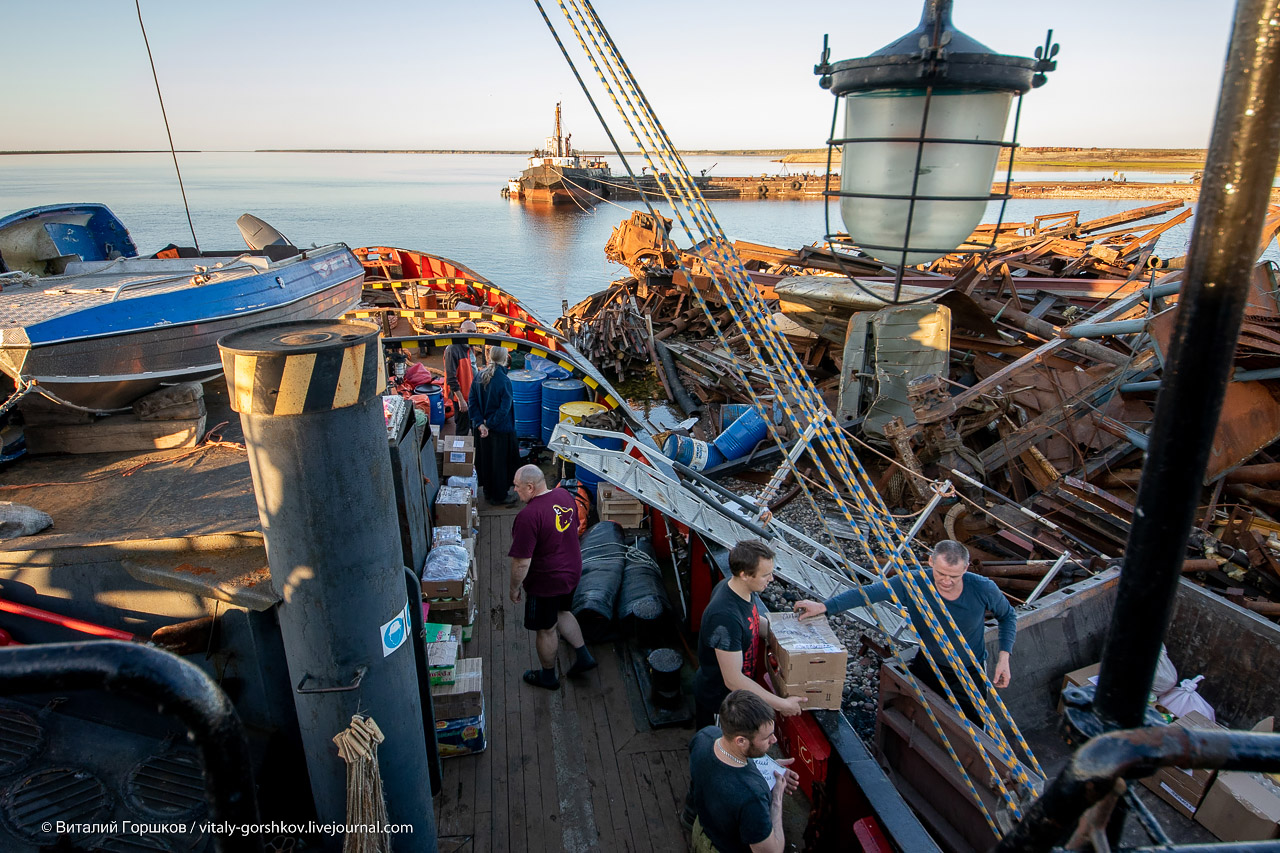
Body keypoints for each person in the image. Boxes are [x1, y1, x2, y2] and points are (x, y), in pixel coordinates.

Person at [794, 540, 1016, 723]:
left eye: (954, 576)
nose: (946, 581)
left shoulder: (983, 588)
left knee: (975, 725)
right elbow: (869, 593)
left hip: (970, 670)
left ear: (966, 569)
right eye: (941, 574)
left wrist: (1004, 657)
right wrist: (825, 607)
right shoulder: (914, 583)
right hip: (929, 663)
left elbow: (1007, 616)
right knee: (917, 714)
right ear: (930, 562)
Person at [693, 540, 806, 730]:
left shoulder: (743, 590)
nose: (771, 579)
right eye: (766, 575)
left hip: (738, 699)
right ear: (744, 574)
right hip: (721, 704)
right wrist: (782, 704)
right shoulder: (724, 617)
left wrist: (791, 635)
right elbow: (733, 680)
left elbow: (753, 622)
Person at [508, 464, 596, 689]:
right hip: (572, 572)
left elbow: (521, 562)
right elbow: (573, 526)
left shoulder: (528, 516)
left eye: (517, 487)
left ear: (530, 487)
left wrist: (514, 588)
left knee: (546, 628)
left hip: (547, 581)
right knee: (562, 611)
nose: (515, 491)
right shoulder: (564, 495)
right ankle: (584, 655)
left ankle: (548, 676)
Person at [686, 690, 799, 853]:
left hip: (702, 830)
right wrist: (776, 799)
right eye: (767, 737)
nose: (774, 740)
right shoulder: (752, 798)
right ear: (741, 741)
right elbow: (771, 851)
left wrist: (769, 765)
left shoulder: (705, 736)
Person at [468, 346, 519, 505]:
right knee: (500, 464)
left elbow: (472, 402)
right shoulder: (504, 381)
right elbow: (504, 409)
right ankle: (500, 496)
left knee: (486, 461)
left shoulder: (479, 376)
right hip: (500, 431)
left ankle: (488, 492)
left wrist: (480, 424)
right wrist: (489, 425)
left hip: (481, 431)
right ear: (505, 359)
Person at [444, 320, 479, 433]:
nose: (472, 334)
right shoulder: (452, 350)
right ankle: (459, 449)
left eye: (474, 332)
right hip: (462, 397)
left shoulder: (470, 347)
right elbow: (451, 379)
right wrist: (461, 400)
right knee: (462, 429)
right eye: (469, 331)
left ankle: (473, 449)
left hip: (471, 395)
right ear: (460, 331)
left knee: (474, 425)